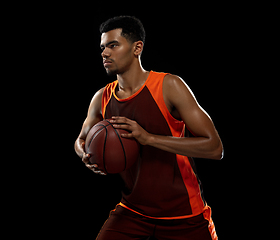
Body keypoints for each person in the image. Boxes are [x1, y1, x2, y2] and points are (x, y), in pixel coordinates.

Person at [74, 16, 223, 240]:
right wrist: (84, 154)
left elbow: (215, 148)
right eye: (103, 47)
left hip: (184, 215)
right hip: (133, 212)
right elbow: (80, 140)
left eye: (113, 45)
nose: (105, 53)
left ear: (137, 48)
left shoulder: (168, 86)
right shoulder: (102, 97)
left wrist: (149, 138)